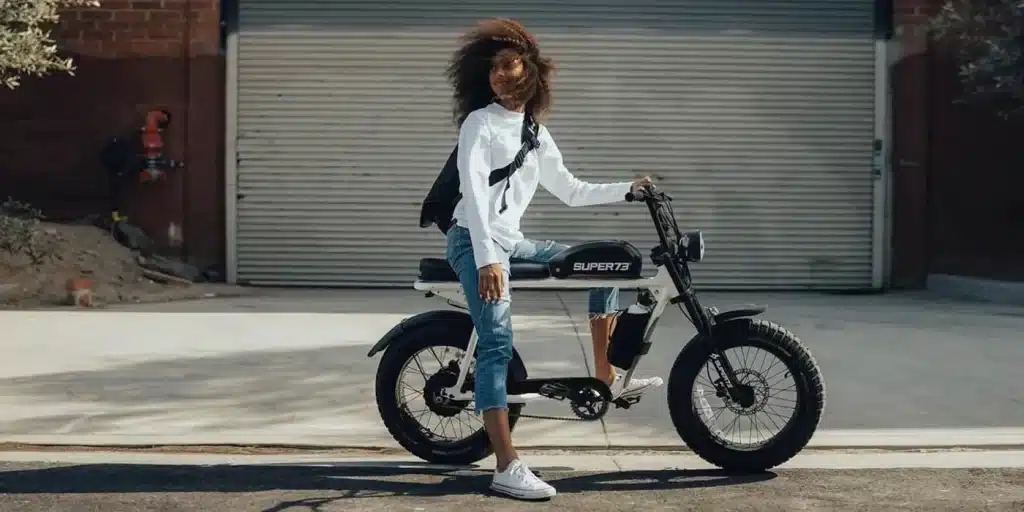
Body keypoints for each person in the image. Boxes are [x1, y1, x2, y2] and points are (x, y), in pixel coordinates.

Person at [443, 18, 664, 500]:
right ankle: (505, 465)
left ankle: (606, 377)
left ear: (529, 71)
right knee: (498, 343)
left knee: (600, 262)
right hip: (472, 240)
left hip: (512, 240)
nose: (499, 75)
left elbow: (571, 190)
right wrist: (487, 262)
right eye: (493, 69)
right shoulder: (478, 125)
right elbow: (475, 198)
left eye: (508, 65)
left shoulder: (534, 133)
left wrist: (628, 189)